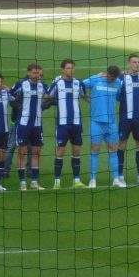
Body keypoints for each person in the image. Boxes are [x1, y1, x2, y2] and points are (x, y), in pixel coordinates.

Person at [46, 59, 86, 189]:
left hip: (76, 123)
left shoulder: (78, 83)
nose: (71, 70)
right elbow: (47, 96)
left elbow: (85, 96)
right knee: (61, 151)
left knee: (76, 150)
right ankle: (57, 181)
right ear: (63, 69)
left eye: (72, 68)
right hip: (62, 124)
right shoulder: (58, 84)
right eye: (68, 68)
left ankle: (77, 180)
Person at [82, 65, 123, 188]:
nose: (112, 79)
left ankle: (116, 179)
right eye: (111, 76)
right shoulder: (95, 79)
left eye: (114, 77)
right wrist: (85, 97)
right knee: (95, 150)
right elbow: (80, 85)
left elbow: (118, 97)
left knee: (113, 150)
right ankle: (93, 179)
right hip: (96, 122)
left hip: (111, 123)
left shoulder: (118, 82)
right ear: (107, 73)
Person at [11, 62, 48, 191]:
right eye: (34, 73)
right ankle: (22, 182)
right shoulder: (21, 84)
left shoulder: (43, 86)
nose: (37, 75)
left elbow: (49, 96)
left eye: (39, 73)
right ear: (29, 73)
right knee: (22, 152)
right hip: (23, 124)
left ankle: (34, 182)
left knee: (37, 152)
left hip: (37, 125)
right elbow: (9, 94)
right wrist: (17, 105)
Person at [117, 54, 139, 186]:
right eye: (134, 62)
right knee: (122, 145)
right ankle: (120, 176)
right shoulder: (122, 77)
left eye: (138, 62)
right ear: (129, 63)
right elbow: (115, 94)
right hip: (125, 118)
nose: (137, 64)